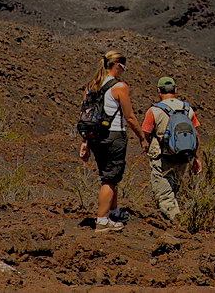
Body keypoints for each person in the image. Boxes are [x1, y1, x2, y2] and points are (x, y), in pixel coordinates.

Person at [78, 50, 144, 233]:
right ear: (116, 65)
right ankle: (102, 221)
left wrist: (85, 141)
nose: (123, 70)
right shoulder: (119, 87)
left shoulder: (91, 86)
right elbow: (130, 117)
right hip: (114, 135)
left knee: (110, 176)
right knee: (109, 179)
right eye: (123, 67)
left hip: (96, 137)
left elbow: (86, 114)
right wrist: (142, 137)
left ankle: (113, 212)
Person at [140, 76, 204, 222]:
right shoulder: (188, 109)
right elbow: (196, 135)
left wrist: (146, 147)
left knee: (164, 194)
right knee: (175, 188)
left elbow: (145, 134)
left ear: (158, 91)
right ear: (175, 90)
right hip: (183, 155)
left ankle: (178, 221)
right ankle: (174, 218)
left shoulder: (154, 111)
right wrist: (198, 159)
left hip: (162, 157)